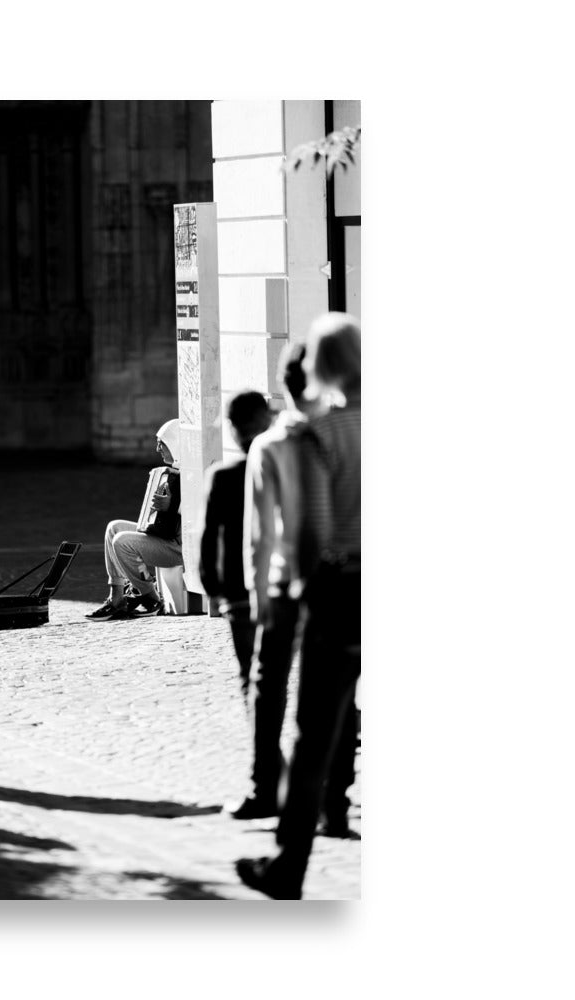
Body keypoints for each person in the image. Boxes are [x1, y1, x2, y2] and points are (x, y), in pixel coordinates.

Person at [236, 312, 361, 899]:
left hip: (341, 587)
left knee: (314, 729)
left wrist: (304, 589)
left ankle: (289, 865)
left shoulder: (320, 434)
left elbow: (314, 528)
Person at [198, 391, 272, 815]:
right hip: (282, 590)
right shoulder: (283, 467)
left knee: (254, 682)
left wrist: (213, 586)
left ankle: (267, 779)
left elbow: (209, 541)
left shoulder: (224, 477)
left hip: (241, 596)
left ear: (232, 430)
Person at [86, 419, 184, 622]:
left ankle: (152, 599)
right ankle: (117, 598)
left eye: (162, 443)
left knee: (122, 541)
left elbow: (203, 507)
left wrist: (172, 507)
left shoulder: (193, 473)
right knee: (114, 527)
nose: (157, 448)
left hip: (181, 547)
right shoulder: (173, 472)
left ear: (175, 444)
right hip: (167, 537)